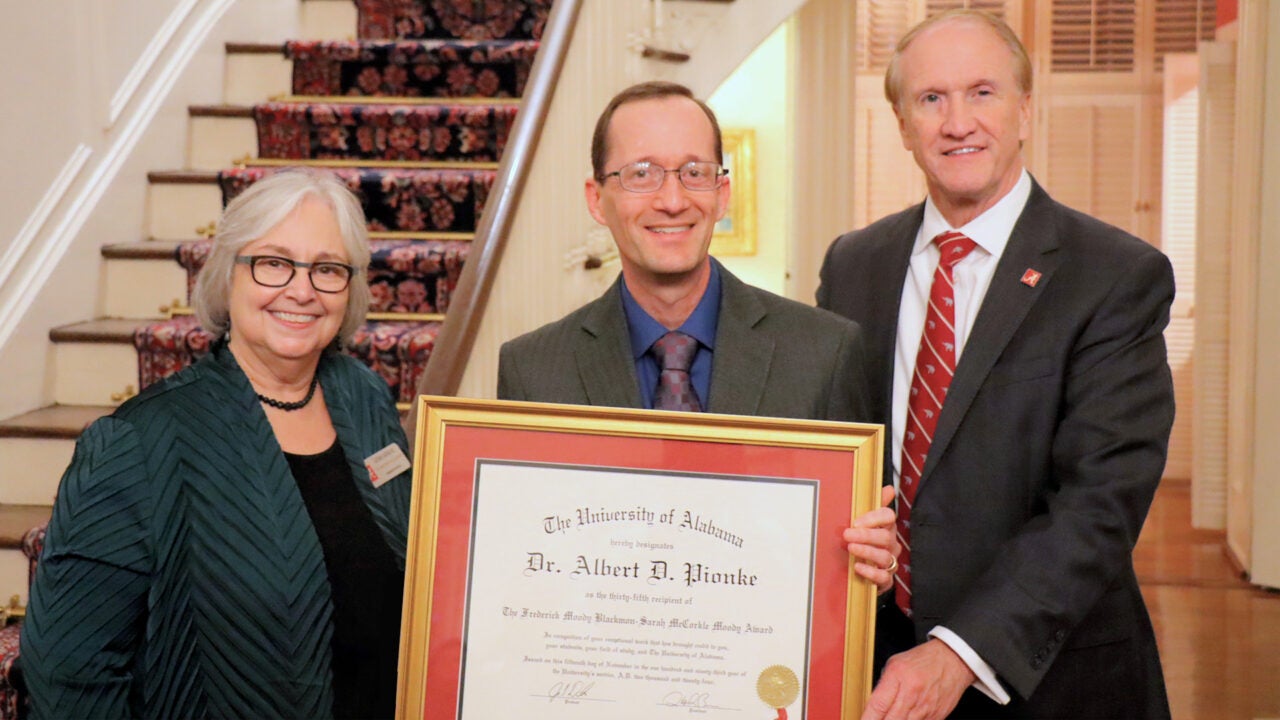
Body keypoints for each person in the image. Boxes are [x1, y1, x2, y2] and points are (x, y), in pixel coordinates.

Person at [817, 10, 1174, 720]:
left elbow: (1100, 503)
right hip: (878, 669)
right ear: (902, 124)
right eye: (931, 99)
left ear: (1025, 113)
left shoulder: (1115, 275)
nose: (958, 123)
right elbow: (841, 456)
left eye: (983, 93)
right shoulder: (853, 265)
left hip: (1051, 678)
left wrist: (958, 652)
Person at [21, 170, 412, 719]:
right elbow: (69, 674)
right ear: (228, 275)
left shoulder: (366, 397)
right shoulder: (138, 444)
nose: (301, 290)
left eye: (327, 269)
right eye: (274, 262)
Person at [497, 80, 901, 594]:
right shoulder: (532, 372)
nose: (672, 199)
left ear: (722, 193)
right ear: (597, 200)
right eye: (641, 174)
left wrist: (876, 569)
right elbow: (522, 573)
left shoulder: (826, 353)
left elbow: (861, 584)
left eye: (694, 173)